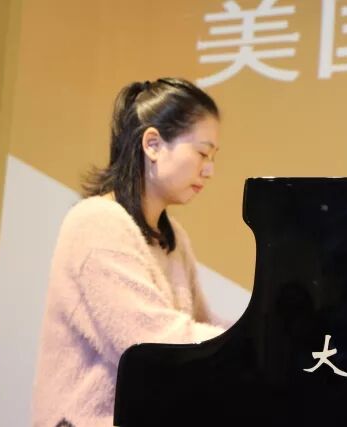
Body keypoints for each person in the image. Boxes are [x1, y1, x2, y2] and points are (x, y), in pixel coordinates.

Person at [32, 78, 226, 427]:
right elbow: (151, 343)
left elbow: (201, 324)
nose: (209, 170)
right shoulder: (97, 222)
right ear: (152, 144)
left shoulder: (172, 235)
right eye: (202, 153)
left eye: (213, 158)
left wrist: (264, 336)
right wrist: (251, 347)